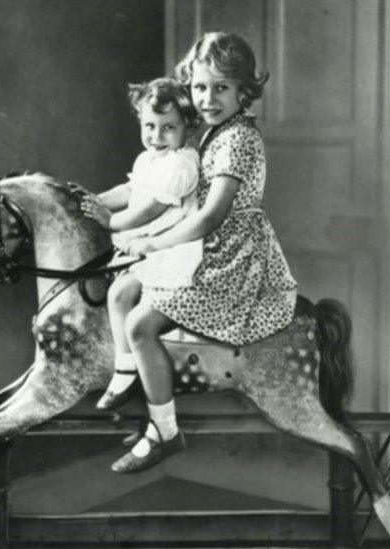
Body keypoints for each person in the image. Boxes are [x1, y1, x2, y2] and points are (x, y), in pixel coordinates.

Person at [106, 31, 298, 474]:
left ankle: (164, 432)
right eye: (199, 87)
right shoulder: (214, 132)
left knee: (139, 325)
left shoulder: (237, 140)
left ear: (244, 90)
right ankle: (126, 376)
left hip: (230, 258)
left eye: (221, 87)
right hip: (203, 247)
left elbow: (211, 217)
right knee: (123, 285)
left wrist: (152, 242)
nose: (207, 98)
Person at [81, 77, 203, 412]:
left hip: (170, 249)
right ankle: (125, 364)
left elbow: (151, 208)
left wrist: (110, 221)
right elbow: (132, 192)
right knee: (112, 288)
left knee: (120, 294)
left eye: (168, 127)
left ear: (188, 126)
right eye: (149, 125)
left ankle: (126, 370)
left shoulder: (182, 164)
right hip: (146, 246)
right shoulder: (148, 160)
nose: (156, 136)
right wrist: (94, 201)